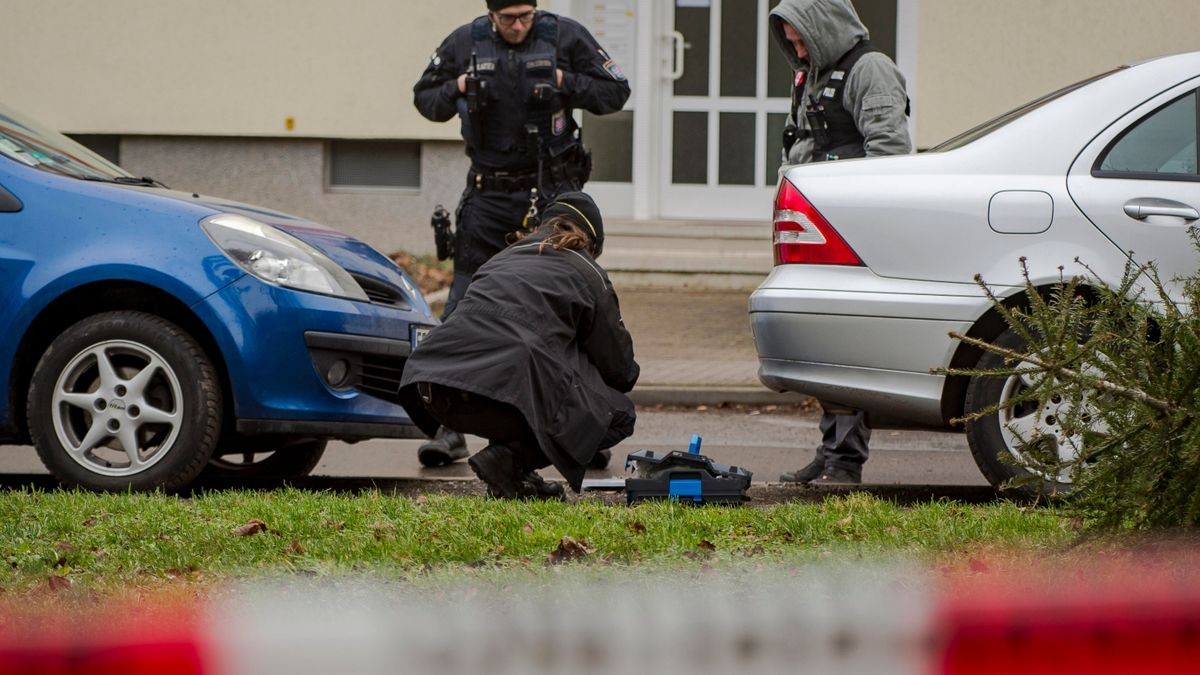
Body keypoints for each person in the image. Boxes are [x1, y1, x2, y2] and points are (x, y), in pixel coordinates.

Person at [411, 0, 631, 468]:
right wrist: (460, 86)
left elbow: (616, 92)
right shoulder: (465, 42)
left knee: (568, 307)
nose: (517, 26)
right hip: (488, 198)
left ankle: (585, 426)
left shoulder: (564, 37)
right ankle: (450, 430)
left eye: (524, 17)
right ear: (491, 16)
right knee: (465, 306)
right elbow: (424, 98)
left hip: (550, 195)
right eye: (507, 19)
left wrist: (564, 82)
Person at [398, 192, 638, 499]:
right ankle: (510, 461)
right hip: (506, 389)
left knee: (526, 386)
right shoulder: (586, 269)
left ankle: (515, 478)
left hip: (436, 388)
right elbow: (620, 370)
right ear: (591, 242)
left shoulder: (502, 257)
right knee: (619, 414)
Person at [769, 0, 912, 484]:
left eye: (801, 38)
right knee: (826, 345)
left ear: (823, 27)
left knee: (846, 345)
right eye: (789, 41)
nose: (796, 48)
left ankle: (844, 463)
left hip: (850, 232)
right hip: (816, 228)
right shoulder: (815, 73)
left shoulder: (870, 70)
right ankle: (831, 452)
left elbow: (889, 152)